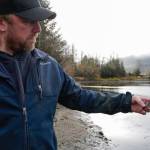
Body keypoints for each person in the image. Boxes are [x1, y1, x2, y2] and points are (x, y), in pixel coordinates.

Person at [0, 0, 149, 150]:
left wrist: (126, 102)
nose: (38, 29)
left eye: (39, 22)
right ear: (2, 23)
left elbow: (81, 97)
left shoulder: (48, 66)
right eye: (29, 20)